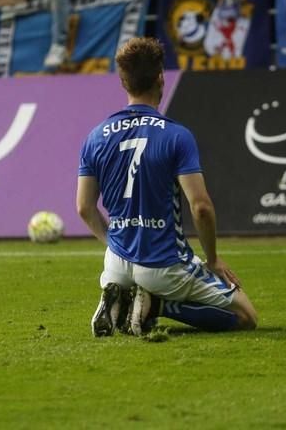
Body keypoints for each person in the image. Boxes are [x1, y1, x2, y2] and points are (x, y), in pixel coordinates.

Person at [77, 37, 258, 337]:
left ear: (123, 81)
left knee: (127, 267)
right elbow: (200, 206)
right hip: (164, 264)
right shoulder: (176, 136)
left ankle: (121, 295)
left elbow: (84, 207)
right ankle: (157, 305)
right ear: (161, 77)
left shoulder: (96, 136)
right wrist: (212, 259)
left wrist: (116, 244)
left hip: (116, 263)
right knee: (246, 316)